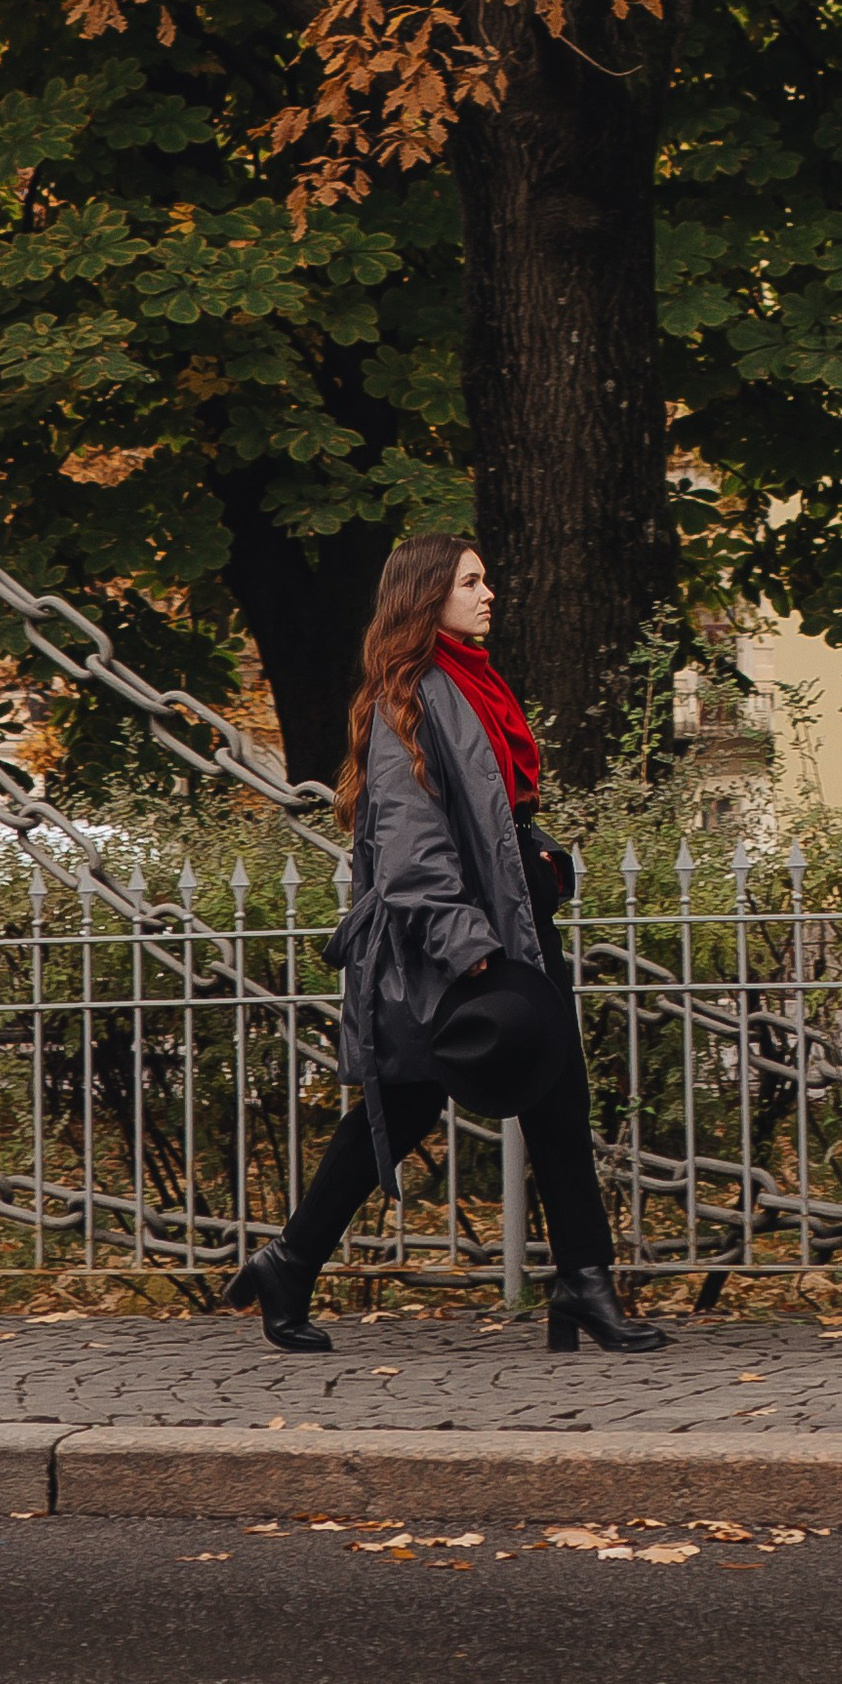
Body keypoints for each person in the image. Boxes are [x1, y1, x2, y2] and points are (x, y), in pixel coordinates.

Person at [223, 530, 667, 1359]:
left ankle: (583, 1280)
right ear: (427, 596)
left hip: (509, 921)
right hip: (455, 939)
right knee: (406, 1102)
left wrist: (542, 861)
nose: (488, 594)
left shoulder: (474, 683)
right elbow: (409, 845)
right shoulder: (412, 697)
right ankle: (291, 1261)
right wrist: (470, 948)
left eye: (485, 579)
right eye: (470, 582)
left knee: (556, 1097)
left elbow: (498, 814)